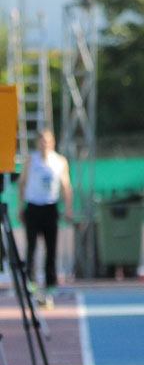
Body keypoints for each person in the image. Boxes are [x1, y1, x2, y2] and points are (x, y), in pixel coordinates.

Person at [18, 129, 73, 305]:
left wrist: (68, 207)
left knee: (51, 247)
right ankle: (31, 281)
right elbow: (22, 183)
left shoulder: (60, 161)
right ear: (37, 142)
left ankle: (51, 283)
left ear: (53, 142)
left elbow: (66, 185)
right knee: (31, 246)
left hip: (50, 207)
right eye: (42, 140)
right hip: (33, 207)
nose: (45, 144)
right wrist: (21, 206)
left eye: (48, 140)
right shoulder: (30, 160)